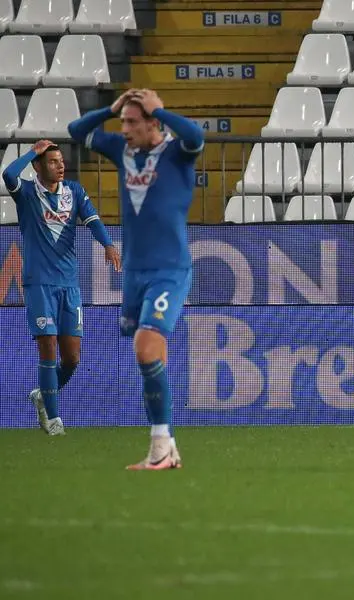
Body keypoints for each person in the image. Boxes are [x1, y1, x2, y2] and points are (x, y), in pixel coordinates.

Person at [68, 89, 204, 469]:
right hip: (134, 272)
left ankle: (160, 446)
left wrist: (162, 108)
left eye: (132, 122)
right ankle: (168, 446)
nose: (124, 128)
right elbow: (77, 131)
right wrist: (110, 108)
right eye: (122, 121)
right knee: (149, 353)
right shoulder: (122, 151)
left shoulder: (177, 152)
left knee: (146, 348)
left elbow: (196, 136)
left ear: (152, 123)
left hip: (170, 268)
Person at [2, 140, 120, 435]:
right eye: (52, 161)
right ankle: (54, 420)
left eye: (61, 161)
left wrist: (107, 244)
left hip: (69, 283)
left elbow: (92, 220)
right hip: (39, 282)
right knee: (48, 346)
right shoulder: (28, 193)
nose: (60, 165)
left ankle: (43, 395)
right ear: (38, 167)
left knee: (72, 358)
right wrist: (31, 151)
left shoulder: (75, 191)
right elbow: (8, 175)